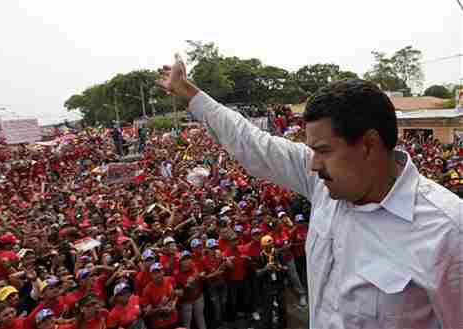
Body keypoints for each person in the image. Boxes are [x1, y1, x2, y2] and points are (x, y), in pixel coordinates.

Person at [157, 54, 463, 328]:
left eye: (323, 150)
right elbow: (251, 142)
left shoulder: (448, 231)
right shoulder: (324, 183)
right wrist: (189, 92)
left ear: (368, 145)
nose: (313, 165)